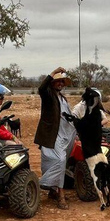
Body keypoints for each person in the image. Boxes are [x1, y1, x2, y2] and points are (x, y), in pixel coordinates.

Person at [35, 67, 74, 209]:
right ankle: (60, 195)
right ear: (52, 82)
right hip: (51, 134)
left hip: (64, 135)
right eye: (57, 81)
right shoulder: (48, 95)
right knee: (60, 161)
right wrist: (52, 72)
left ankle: (53, 190)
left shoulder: (62, 98)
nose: (60, 83)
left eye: (62, 81)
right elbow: (41, 88)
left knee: (54, 162)